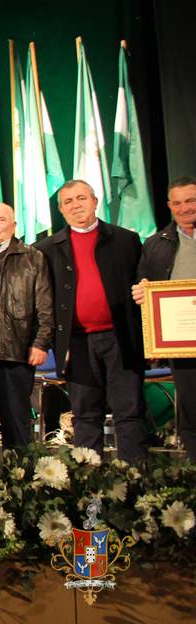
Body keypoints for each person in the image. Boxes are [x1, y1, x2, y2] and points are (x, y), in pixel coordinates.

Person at [34, 180, 146, 463]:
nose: (76, 205)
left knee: (129, 412)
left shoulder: (125, 240)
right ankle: (91, 490)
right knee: (85, 415)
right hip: (76, 343)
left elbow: (142, 285)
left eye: (81, 198)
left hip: (121, 340)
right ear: (61, 210)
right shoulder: (46, 249)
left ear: (95, 202)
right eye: (68, 201)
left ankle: (134, 484)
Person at [0, 201, 54, 449]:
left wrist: (41, 342)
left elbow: (45, 306)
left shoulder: (32, 257)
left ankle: (18, 481)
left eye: (1, 219)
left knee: (16, 422)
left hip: (14, 351)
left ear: (14, 225)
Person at [134, 176, 196, 460]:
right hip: (181, 345)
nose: (185, 208)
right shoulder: (156, 244)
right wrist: (141, 293)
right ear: (170, 206)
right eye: (178, 203)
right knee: (191, 413)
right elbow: (143, 283)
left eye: (191, 201)